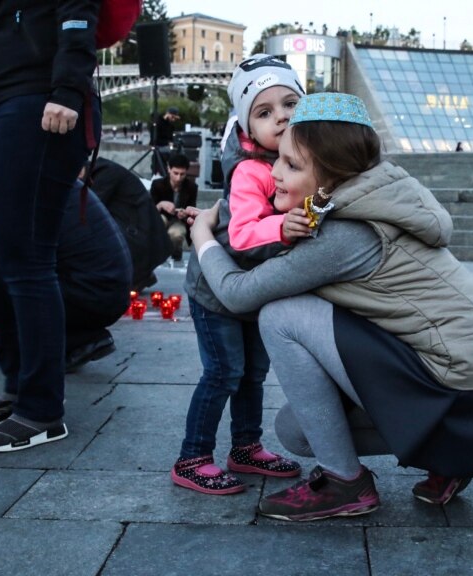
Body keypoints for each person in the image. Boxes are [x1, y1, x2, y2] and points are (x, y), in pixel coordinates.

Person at [190, 93, 473, 521]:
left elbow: (238, 293)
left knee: (281, 315)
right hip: (471, 387)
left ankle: (344, 483)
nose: (274, 172)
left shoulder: (348, 233)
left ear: (331, 177)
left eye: (292, 165)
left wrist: (202, 236)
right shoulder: (369, 201)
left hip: (453, 389)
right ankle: (448, 457)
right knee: (296, 429)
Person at [0, 0, 103, 454]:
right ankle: (18, 384)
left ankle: (41, 409)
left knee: (25, 254)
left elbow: (77, 13)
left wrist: (68, 89)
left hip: (42, 99)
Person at [172, 54, 306, 496]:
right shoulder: (251, 170)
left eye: (290, 104)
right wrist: (283, 227)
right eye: (265, 113)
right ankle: (193, 457)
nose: (282, 117)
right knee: (224, 372)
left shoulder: (298, 160)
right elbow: (245, 234)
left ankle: (246, 446)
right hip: (216, 290)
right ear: (247, 126)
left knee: (253, 373)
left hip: (252, 291)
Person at [0, 182, 131, 379]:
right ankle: (77, 338)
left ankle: (76, 341)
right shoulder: (39, 177)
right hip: (106, 290)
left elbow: (18, 263)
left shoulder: (20, 190)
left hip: (93, 294)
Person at [87, 157, 172, 292]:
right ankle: (141, 275)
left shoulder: (105, 174)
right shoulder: (102, 171)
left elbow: (92, 207)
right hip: (136, 225)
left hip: (140, 229)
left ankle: (139, 276)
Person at [149, 153, 197, 261]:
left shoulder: (191, 187)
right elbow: (149, 209)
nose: (178, 178)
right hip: (161, 217)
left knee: (176, 234)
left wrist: (185, 213)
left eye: (182, 174)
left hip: (179, 221)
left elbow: (193, 208)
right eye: (175, 173)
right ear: (168, 169)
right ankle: (155, 253)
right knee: (159, 222)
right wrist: (161, 205)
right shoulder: (157, 184)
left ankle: (175, 254)